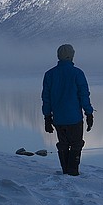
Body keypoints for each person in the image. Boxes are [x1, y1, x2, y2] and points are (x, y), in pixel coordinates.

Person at [41, 43, 94, 176]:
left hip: (58, 119)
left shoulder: (50, 74)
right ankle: (73, 172)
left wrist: (47, 117)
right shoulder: (77, 73)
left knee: (63, 145)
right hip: (74, 118)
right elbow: (84, 95)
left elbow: (46, 98)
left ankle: (66, 171)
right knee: (76, 144)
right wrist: (89, 113)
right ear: (71, 56)